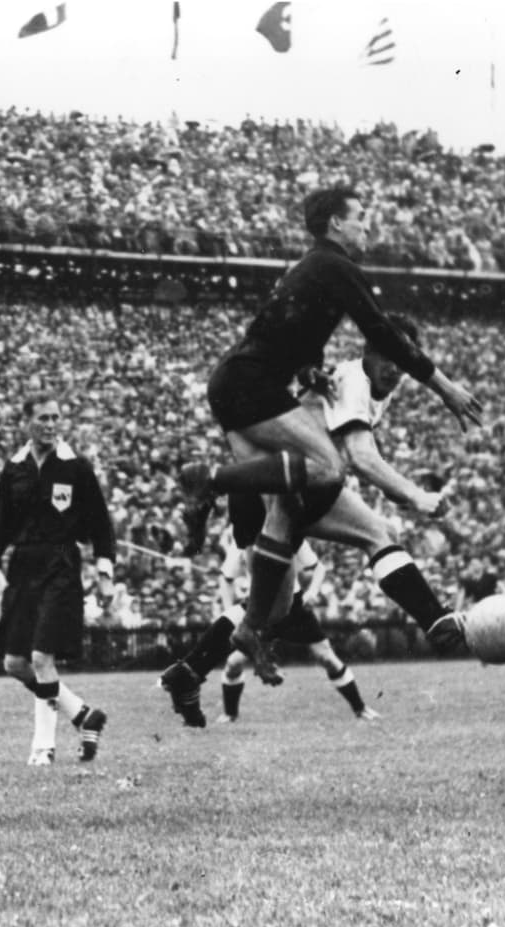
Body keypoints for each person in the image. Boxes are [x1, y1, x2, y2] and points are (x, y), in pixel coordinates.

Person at [177, 187, 482, 681]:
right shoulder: (337, 267)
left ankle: (226, 647)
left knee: (281, 555)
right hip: (250, 385)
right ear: (336, 224)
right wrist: (443, 387)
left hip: (239, 386)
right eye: (361, 217)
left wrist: (307, 370)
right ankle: (210, 480)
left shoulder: (311, 269)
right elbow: (381, 331)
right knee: (326, 467)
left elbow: (284, 327)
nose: (367, 226)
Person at [164, 313, 467, 717]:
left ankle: (189, 673)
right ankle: (435, 620)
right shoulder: (355, 380)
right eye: (388, 358)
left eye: (404, 362)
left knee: (286, 601)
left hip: (300, 485)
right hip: (273, 487)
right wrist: (414, 495)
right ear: (368, 352)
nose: (395, 370)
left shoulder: (375, 385)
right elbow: (360, 456)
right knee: (359, 544)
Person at [0, 390, 113, 765]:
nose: (50, 425)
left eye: (55, 418)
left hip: (61, 563)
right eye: (43, 418)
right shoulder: (14, 468)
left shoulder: (75, 466)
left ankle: (43, 749)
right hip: (23, 568)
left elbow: (101, 525)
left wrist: (105, 573)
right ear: (27, 421)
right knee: (15, 664)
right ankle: (83, 715)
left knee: (41, 655)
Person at [213, 528, 380, 725]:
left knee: (327, 657)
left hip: (293, 606)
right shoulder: (245, 535)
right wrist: (228, 613)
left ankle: (360, 709)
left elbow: (318, 568)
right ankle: (230, 714)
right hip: (261, 609)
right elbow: (225, 578)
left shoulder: (289, 533)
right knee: (234, 662)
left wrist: (312, 591)